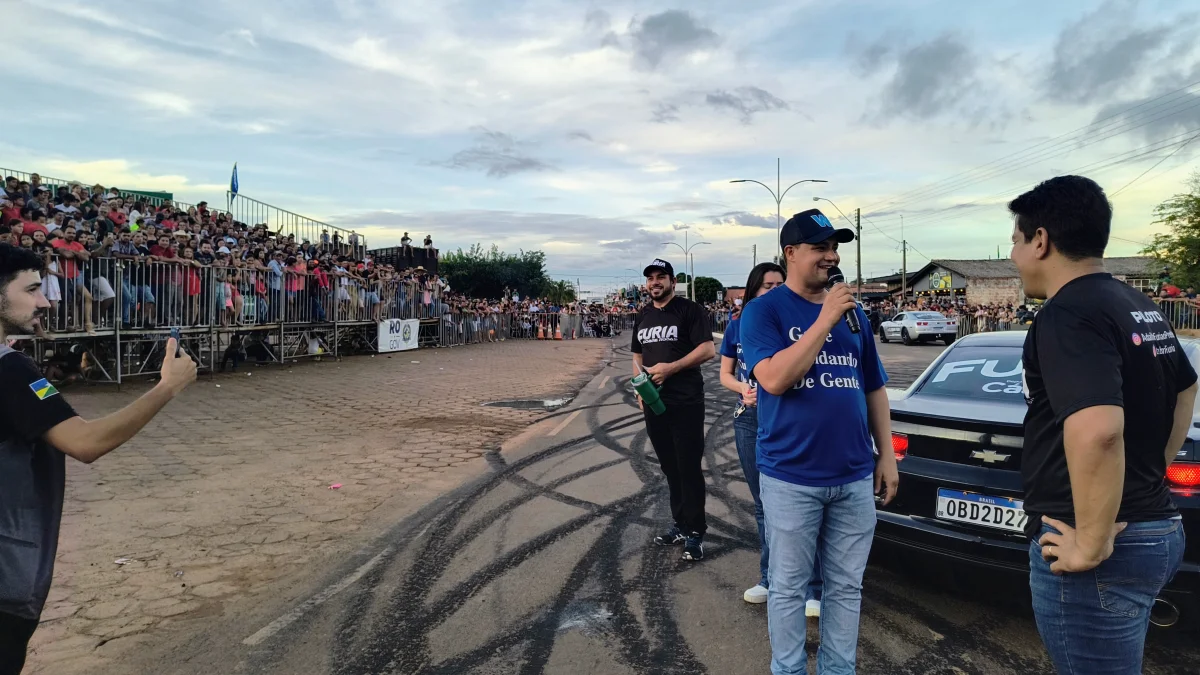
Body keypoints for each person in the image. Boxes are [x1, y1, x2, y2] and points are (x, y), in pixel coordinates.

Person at [1009, 176, 1197, 675]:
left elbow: (1099, 430)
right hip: (1154, 525)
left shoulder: (1067, 313)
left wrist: (1090, 543)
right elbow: (1186, 387)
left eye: (1016, 240)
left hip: (1098, 543)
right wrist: (1148, 470)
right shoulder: (1137, 303)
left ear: (1041, 240)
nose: (1013, 255)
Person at [0, 244, 197, 674]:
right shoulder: (10, 370)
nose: (45, 302)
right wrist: (167, 387)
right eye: (31, 290)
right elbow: (86, 442)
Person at [740, 209, 898, 675]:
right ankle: (788, 670)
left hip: (853, 475)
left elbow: (873, 387)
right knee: (789, 587)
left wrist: (886, 455)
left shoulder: (854, 315)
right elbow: (774, 379)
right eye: (820, 248)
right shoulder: (763, 311)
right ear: (790, 253)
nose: (831, 257)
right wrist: (826, 318)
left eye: (835, 248)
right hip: (791, 476)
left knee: (846, 587)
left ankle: (838, 669)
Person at [720, 262, 824, 612]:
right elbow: (725, 373)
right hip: (749, 418)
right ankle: (769, 578)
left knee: (803, 503)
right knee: (764, 504)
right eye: (767, 285)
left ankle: (812, 587)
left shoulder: (798, 322)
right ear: (753, 290)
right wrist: (742, 389)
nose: (775, 290)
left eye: (780, 283)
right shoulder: (738, 324)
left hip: (789, 417)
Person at [631, 258, 716, 561]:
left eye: (661, 277)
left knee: (688, 467)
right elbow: (637, 354)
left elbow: (707, 349)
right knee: (669, 467)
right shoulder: (643, 315)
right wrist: (639, 387)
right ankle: (680, 524)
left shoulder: (690, 310)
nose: (655, 282)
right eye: (650, 278)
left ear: (672, 281)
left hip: (686, 401)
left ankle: (695, 532)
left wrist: (671, 368)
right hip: (655, 403)